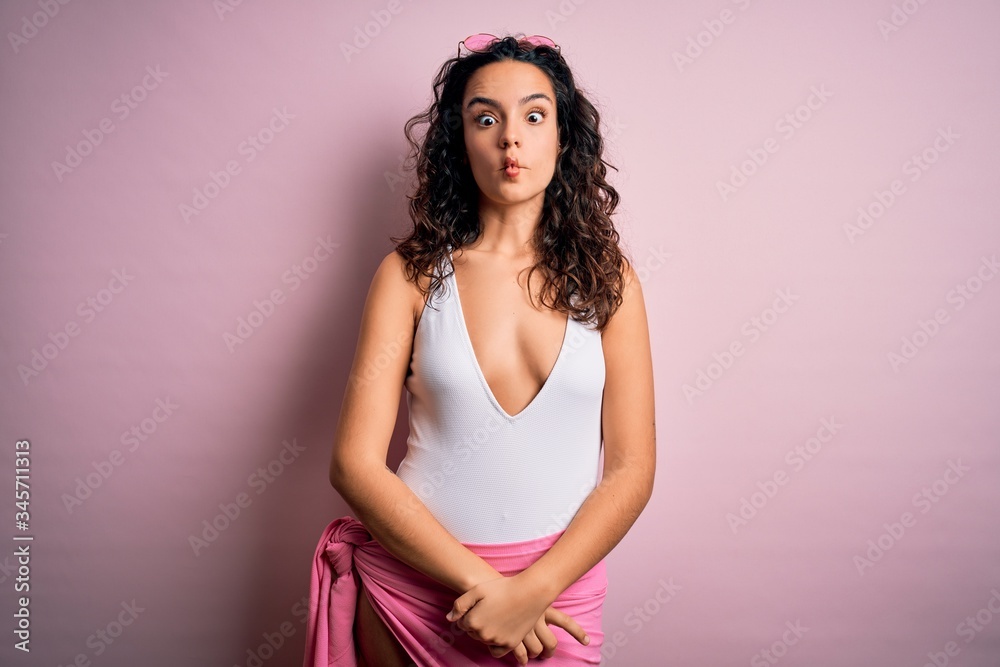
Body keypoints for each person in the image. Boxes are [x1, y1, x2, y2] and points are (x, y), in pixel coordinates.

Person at [302, 33, 655, 667]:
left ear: (563, 137)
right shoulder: (408, 276)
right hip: (416, 591)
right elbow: (353, 465)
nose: (509, 138)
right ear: (460, 143)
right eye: (485, 118)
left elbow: (631, 471)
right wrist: (488, 588)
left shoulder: (610, 279)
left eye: (534, 115)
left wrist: (531, 592)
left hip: (557, 604)